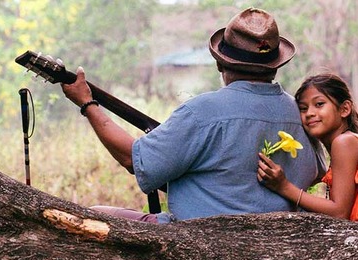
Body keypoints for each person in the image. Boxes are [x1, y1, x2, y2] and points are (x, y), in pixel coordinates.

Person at [61, 8, 323, 223]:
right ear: (275, 66)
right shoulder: (301, 113)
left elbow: (134, 159)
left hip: (196, 242)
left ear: (220, 63)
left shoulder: (202, 112)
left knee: (95, 214)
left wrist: (87, 105)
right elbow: (315, 172)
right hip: (277, 243)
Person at [257, 73, 358, 221]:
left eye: (319, 104)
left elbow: (339, 212)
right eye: (303, 108)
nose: (310, 113)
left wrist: (284, 186)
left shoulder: (344, 142)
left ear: (344, 109)